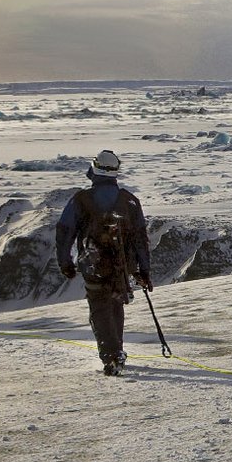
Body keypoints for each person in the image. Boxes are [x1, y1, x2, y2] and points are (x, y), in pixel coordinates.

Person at [55, 150, 154, 376]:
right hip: (123, 265)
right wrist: (144, 270)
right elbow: (140, 237)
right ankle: (116, 350)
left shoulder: (82, 200)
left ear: (94, 168)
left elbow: (65, 230)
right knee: (116, 303)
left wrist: (65, 262)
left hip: (94, 265)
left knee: (99, 308)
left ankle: (112, 356)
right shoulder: (129, 201)